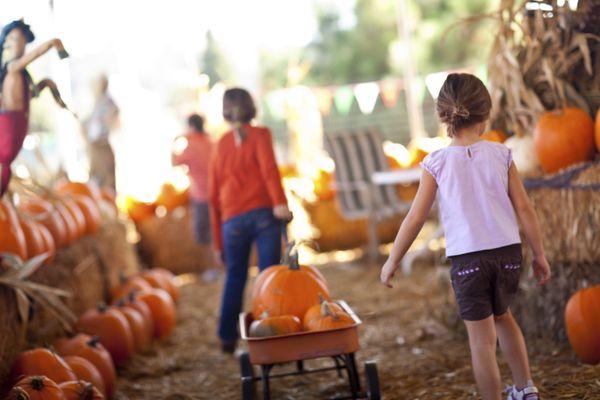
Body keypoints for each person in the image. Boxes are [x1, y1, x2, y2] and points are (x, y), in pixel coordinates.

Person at [380, 73, 551, 400]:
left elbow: (415, 218)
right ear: (485, 115)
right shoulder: (502, 154)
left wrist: (392, 260)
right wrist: (540, 254)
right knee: (505, 319)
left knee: (481, 342)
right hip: (508, 255)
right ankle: (525, 389)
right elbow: (525, 209)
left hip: (468, 262)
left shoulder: (436, 163)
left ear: (444, 116)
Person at [209, 87, 291, 353]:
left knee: (235, 276)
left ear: (225, 111)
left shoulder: (220, 145)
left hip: (231, 221)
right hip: (263, 215)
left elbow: (212, 196)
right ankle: (268, 336)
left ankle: (227, 338)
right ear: (251, 108)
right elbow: (269, 169)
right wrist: (280, 203)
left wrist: (218, 243)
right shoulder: (261, 134)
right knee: (267, 276)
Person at [0, 19, 68, 195]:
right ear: (6, 43)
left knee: (6, 165)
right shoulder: (13, 67)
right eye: (14, 40)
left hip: (18, 124)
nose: (19, 45)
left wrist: (48, 85)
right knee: (4, 163)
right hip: (10, 125)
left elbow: (27, 97)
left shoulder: (21, 75)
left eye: (22, 41)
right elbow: (35, 53)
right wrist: (53, 44)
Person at [172, 113, 217, 266]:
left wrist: (175, 142)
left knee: (204, 234)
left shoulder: (191, 147)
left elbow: (174, 163)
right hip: (217, 193)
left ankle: (211, 268)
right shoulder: (211, 143)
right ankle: (222, 266)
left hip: (201, 196)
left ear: (191, 127)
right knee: (217, 231)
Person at [84, 73, 119, 190]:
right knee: (96, 179)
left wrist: (109, 123)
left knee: (107, 180)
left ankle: (107, 203)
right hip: (94, 146)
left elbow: (114, 113)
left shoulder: (107, 101)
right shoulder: (97, 102)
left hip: (102, 145)